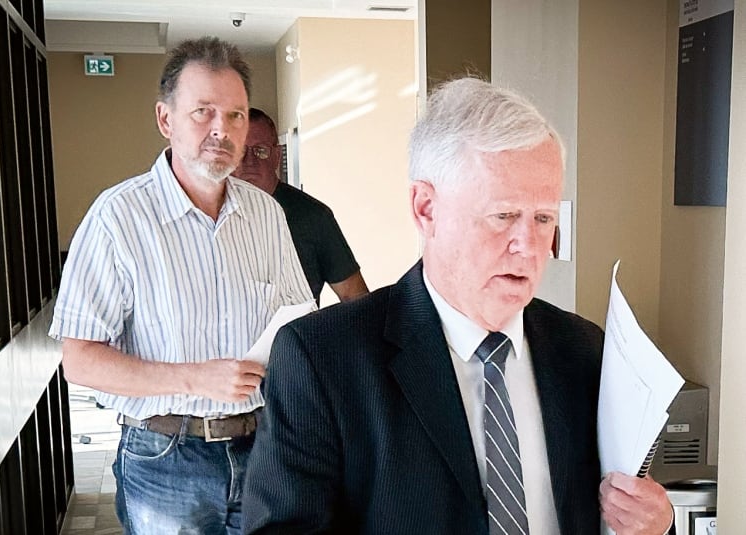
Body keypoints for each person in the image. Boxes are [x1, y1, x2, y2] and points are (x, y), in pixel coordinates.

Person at [242, 78, 674, 534]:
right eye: (503, 216)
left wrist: (655, 524)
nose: (528, 246)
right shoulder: (323, 357)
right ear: (426, 208)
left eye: (543, 218)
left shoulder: (584, 351)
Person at [48, 37, 313, 535]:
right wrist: (195, 379)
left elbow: (297, 322)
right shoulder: (118, 217)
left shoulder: (267, 215)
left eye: (235, 115)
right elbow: (79, 360)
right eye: (203, 112)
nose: (222, 128)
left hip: (263, 448)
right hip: (163, 459)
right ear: (165, 119)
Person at [234, 108, 368, 303]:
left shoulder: (313, 217)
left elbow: (355, 297)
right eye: (240, 151)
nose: (249, 161)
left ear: (277, 156)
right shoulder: (212, 215)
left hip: (296, 331)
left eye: (260, 151)